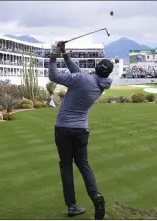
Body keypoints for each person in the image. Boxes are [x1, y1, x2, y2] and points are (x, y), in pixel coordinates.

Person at [48, 41, 114, 219]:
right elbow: (78, 73)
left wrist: (54, 53)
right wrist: (65, 54)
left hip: (63, 128)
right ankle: (96, 196)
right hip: (81, 130)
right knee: (83, 164)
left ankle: (72, 206)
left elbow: (53, 75)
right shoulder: (100, 84)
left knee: (66, 166)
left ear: (96, 67)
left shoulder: (82, 79)